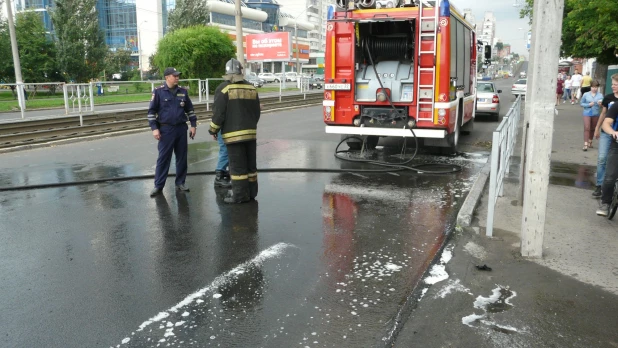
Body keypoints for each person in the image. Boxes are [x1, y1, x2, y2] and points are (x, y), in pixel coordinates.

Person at [209, 58, 261, 204]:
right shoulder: (251, 88)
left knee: (238, 168)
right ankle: (251, 193)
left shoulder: (224, 88)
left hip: (233, 136)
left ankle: (239, 196)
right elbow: (257, 112)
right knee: (251, 166)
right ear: (241, 72)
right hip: (250, 134)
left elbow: (218, 113)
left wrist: (213, 129)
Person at [147, 67, 197, 197]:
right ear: (167, 77)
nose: (177, 77)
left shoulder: (183, 92)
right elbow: (151, 112)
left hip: (181, 128)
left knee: (181, 157)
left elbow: (190, 110)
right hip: (165, 129)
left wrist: (193, 125)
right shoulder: (158, 92)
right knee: (164, 158)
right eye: (174, 76)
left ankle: (180, 183)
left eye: (178, 75)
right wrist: (154, 128)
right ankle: (158, 186)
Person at [592, 73, 618, 197]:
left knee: (612, 161)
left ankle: (611, 187)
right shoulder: (608, 98)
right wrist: (597, 128)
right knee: (602, 158)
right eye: (612, 84)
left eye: (615, 85)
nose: (613, 86)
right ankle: (599, 185)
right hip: (607, 133)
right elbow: (603, 114)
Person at [596, 101, 618, 216]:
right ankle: (605, 203)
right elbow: (606, 123)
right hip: (617, 145)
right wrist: (613, 132)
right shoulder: (616, 105)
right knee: (610, 177)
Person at [580, 80, 603, 151]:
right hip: (587, 113)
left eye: (596, 87)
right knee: (587, 127)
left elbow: (603, 105)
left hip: (595, 113)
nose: (594, 88)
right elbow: (581, 103)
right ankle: (585, 144)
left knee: (593, 128)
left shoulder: (600, 95)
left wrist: (600, 104)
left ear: (598, 87)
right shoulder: (586, 94)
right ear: (590, 87)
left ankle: (590, 141)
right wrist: (588, 105)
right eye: (593, 87)